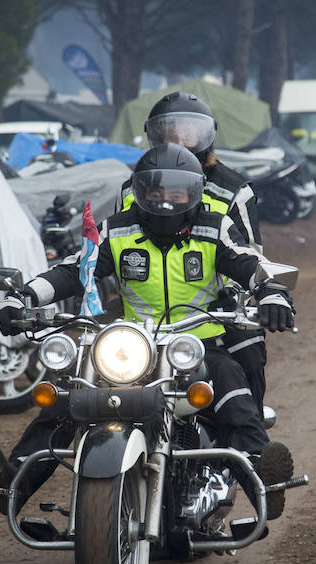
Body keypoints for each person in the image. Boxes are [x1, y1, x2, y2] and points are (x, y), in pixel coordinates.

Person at [0, 143, 295, 523]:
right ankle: (14, 482)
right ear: (139, 191)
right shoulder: (117, 229)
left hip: (199, 344)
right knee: (69, 394)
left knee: (235, 395)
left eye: (176, 192)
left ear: (194, 192)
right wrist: (24, 296)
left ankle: (264, 484)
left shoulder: (215, 227)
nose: (165, 201)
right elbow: (74, 271)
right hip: (134, 346)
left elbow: (250, 263)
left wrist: (273, 293)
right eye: (155, 191)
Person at [116, 92, 269, 418]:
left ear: (207, 135)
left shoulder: (234, 188)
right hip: (148, 316)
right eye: (169, 131)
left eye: (189, 132)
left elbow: (252, 253)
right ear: (154, 135)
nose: (179, 139)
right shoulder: (134, 186)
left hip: (217, 311)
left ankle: (249, 446)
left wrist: (233, 296)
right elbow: (119, 244)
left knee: (248, 355)